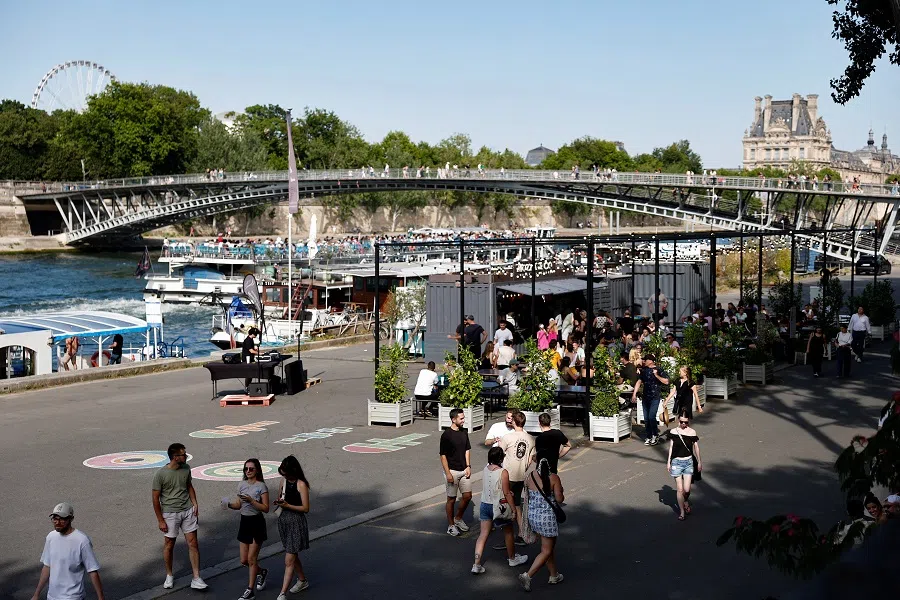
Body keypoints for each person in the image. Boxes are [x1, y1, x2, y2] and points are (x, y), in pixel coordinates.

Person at [152, 443, 207, 590]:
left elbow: (188, 485)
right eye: (183, 454)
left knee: (193, 543)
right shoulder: (161, 474)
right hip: (170, 513)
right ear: (175, 457)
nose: (186, 456)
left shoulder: (186, 469)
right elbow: (155, 498)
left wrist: (195, 503)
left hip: (187, 510)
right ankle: (169, 575)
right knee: (169, 544)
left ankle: (196, 577)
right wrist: (160, 520)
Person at [471, 447, 529, 575]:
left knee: (483, 534)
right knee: (508, 531)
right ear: (501, 458)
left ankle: (476, 564)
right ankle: (512, 558)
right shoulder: (503, 472)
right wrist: (513, 509)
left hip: (485, 504)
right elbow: (507, 493)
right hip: (499, 506)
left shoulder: (485, 469)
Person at [32, 502, 105, 600]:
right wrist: (36, 594)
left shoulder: (82, 541)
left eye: (61, 519)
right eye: (55, 518)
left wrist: (101, 598)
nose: (57, 522)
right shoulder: (51, 537)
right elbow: (47, 566)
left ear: (71, 519)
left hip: (73, 597)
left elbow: (92, 571)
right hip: (52, 597)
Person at [223, 458, 270, 600]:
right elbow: (239, 505)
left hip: (256, 523)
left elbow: (266, 508)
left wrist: (252, 501)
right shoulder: (241, 485)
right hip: (245, 522)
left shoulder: (261, 486)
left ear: (257, 470)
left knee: (251, 558)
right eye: (246, 469)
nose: (248, 471)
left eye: (251, 469)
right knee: (244, 560)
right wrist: (228, 505)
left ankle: (250, 590)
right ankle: (261, 572)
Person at [518, 458, 565, 591]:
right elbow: (560, 499)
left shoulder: (530, 476)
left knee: (548, 547)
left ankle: (553, 575)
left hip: (534, 517)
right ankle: (527, 576)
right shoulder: (554, 478)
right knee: (546, 550)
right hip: (547, 519)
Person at [274, 455, 311, 599]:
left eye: (285, 472)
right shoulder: (283, 481)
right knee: (292, 554)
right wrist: (279, 502)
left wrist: (288, 505)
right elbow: (280, 498)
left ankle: (282, 593)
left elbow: (306, 508)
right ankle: (302, 580)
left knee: (289, 559)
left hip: (296, 523)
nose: (283, 475)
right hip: (284, 521)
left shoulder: (301, 484)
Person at [499, 410, 535, 547]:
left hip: (508, 475)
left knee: (506, 504)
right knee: (517, 505)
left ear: (513, 421)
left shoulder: (507, 437)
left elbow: (499, 454)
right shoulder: (531, 438)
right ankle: (521, 533)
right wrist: (524, 466)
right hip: (520, 476)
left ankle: (507, 536)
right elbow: (531, 458)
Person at [440, 408, 473, 536]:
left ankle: (458, 518)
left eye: (464, 418)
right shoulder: (446, 435)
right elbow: (443, 456)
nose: (464, 420)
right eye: (461, 418)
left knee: (467, 496)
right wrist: (447, 473)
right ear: (453, 419)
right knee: (451, 499)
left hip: (464, 470)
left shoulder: (464, 432)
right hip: (452, 471)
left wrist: (468, 466)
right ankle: (451, 525)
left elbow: (467, 450)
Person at [666, 410, 702, 521]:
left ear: (688, 421)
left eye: (685, 422)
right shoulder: (673, 432)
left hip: (688, 462)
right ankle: (682, 512)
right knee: (680, 489)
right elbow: (671, 447)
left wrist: (699, 462)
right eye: (682, 422)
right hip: (676, 462)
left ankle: (685, 500)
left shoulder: (692, 432)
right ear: (678, 420)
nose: (683, 424)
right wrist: (668, 462)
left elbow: (696, 447)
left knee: (686, 490)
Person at [631, 354, 670, 445]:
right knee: (646, 418)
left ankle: (655, 435)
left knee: (652, 417)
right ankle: (649, 436)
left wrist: (656, 375)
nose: (644, 361)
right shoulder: (644, 370)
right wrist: (634, 394)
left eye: (645, 360)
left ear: (651, 361)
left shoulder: (659, 369)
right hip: (645, 397)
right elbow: (639, 382)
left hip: (655, 397)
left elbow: (667, 381)